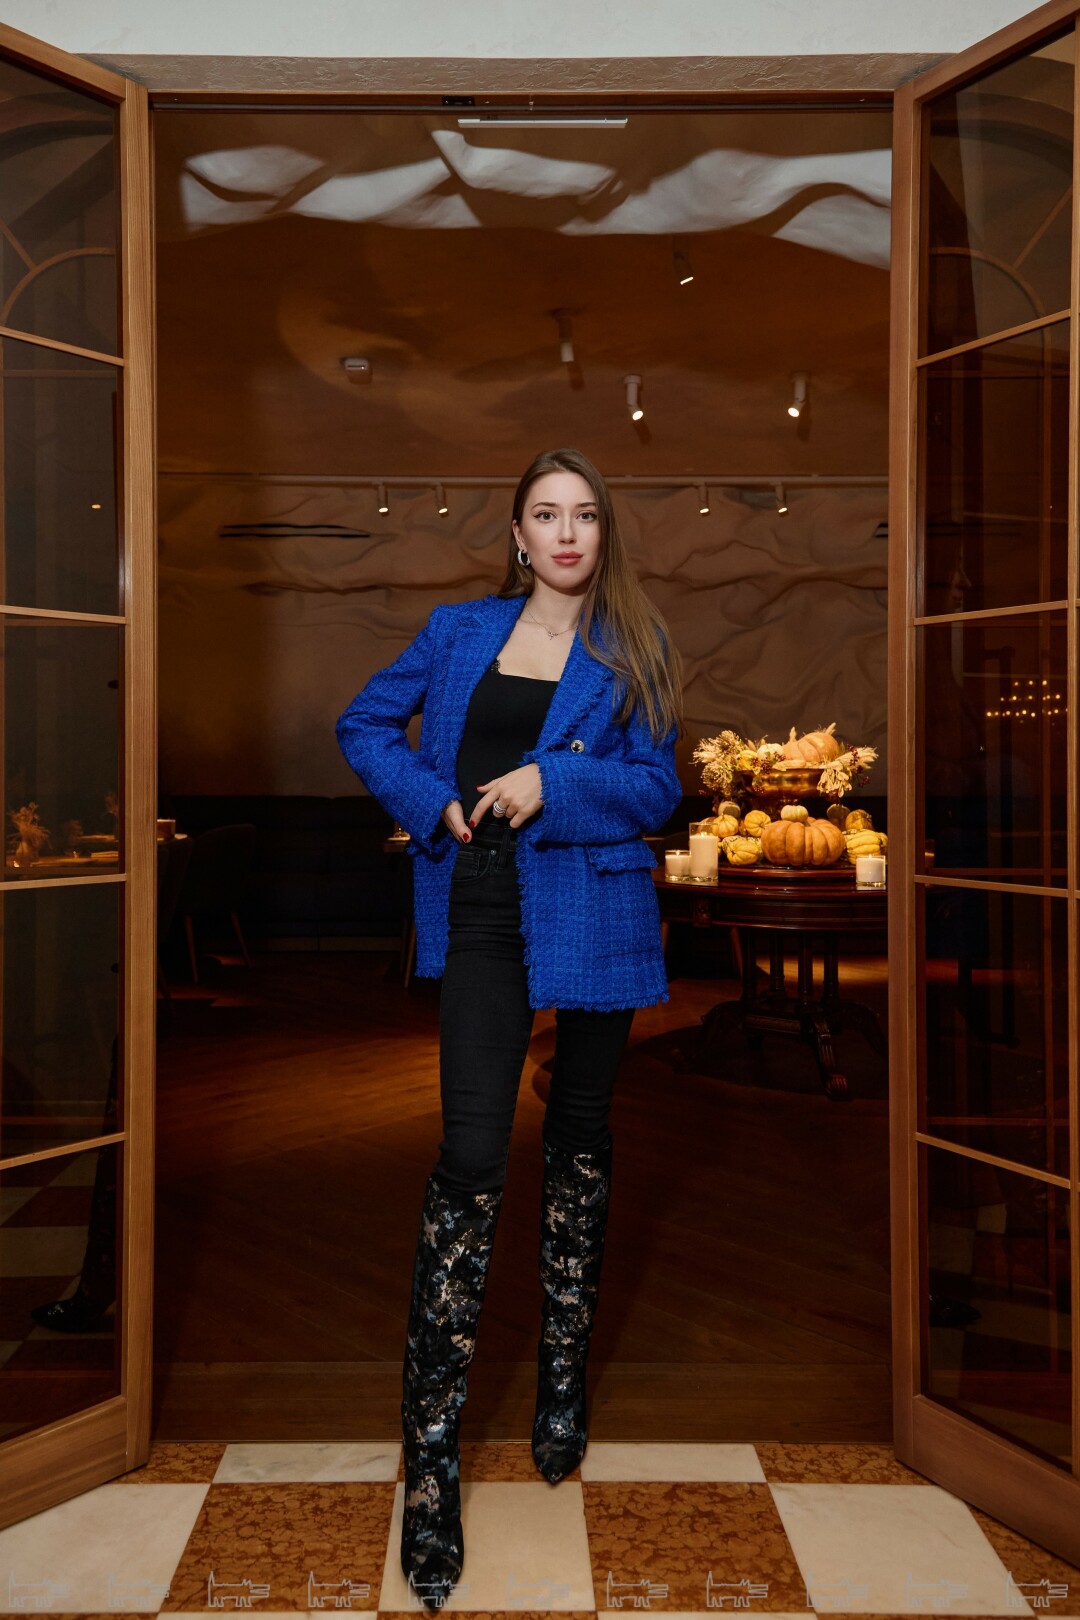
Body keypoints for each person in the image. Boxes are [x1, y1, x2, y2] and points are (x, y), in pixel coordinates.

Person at [335, 446, 684, 1611]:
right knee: (471, 1157)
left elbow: (657, 787)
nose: (567, 532)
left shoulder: (635, 645)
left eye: (585, 514)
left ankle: (561, 1386)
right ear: (519, 534)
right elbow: (362, 724)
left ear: (602, 532)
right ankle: (431, 1463)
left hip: (596, 908)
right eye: (547, 513)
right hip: (480, 910)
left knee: (578, 1137)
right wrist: (427, 798)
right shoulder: (457, 631)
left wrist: (553, 784)